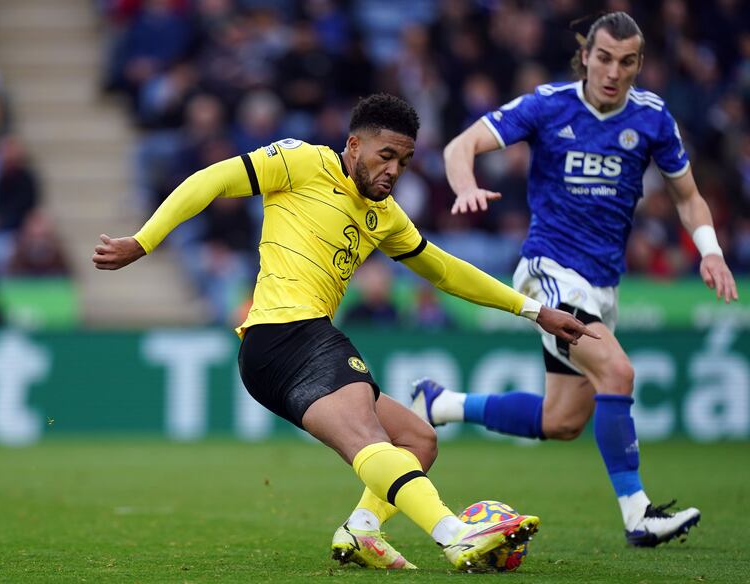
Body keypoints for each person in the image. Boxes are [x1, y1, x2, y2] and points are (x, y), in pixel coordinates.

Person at [92, 93, 595, 571]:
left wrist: (533, 310)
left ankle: (362, 531)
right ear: (354, 145)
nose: (394, 169)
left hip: (298, 344)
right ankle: (453, 532)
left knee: (417, 439)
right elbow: (212, 180)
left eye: (404, 159)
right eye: (385, 155)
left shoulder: (385, 215)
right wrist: (145, 240)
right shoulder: (301, 162)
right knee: (369, 439)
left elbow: (444, 270)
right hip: (285, 332)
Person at [410, 12, 739, 549]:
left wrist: (711, 251)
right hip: (549, 272)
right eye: (604, 57)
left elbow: (688, 195)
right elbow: (458, 147)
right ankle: (639, 515)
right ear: (585, 55)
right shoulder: (548, 104)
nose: (613, 71)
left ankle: (440, 405)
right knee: (619, 371)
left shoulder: (653, 117)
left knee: (562, 420)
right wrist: (465, 186)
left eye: (627, 61)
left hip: (602, 286)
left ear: (638, 64)